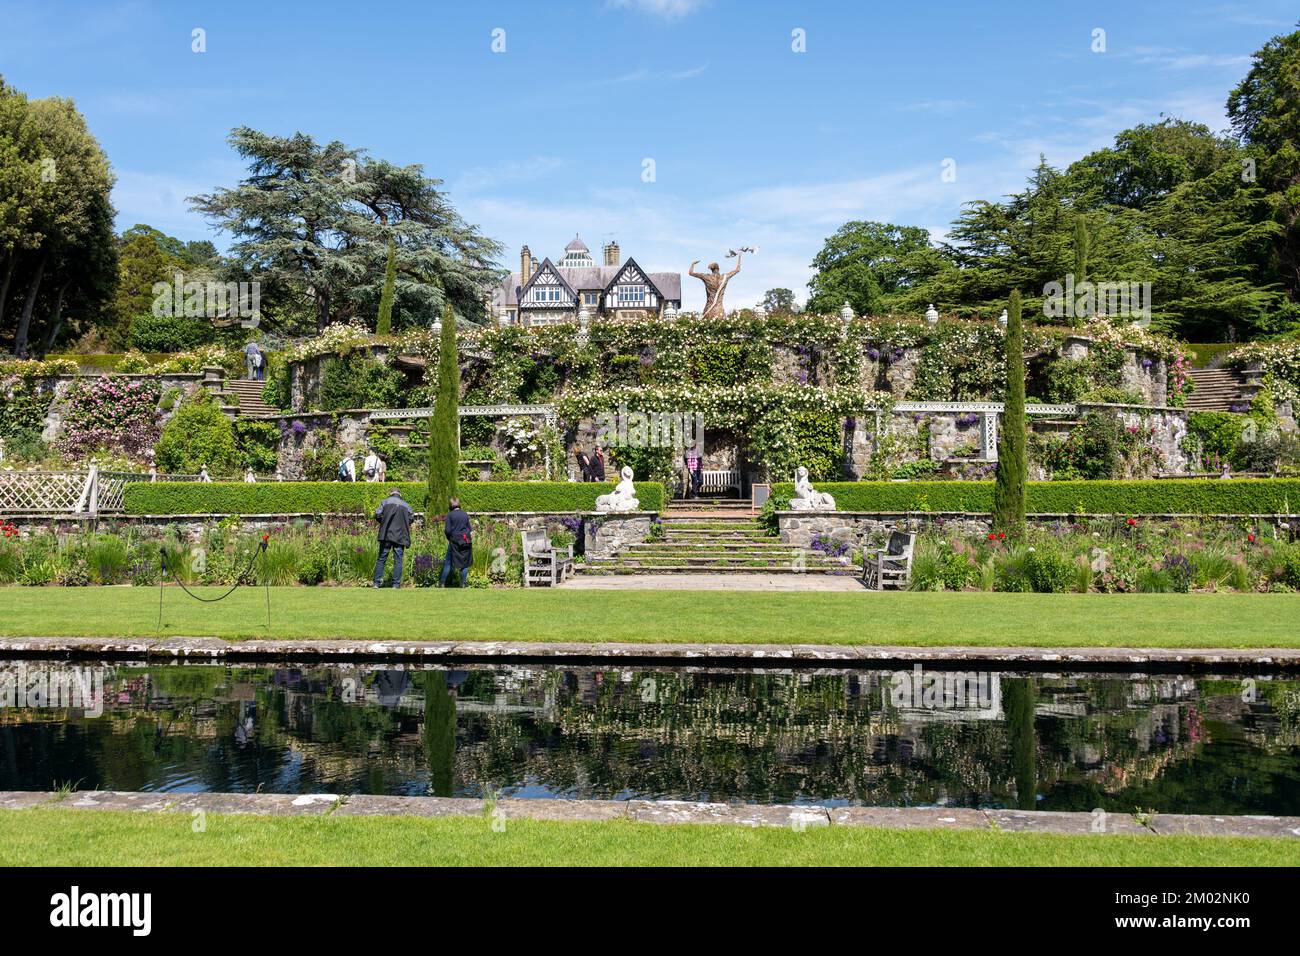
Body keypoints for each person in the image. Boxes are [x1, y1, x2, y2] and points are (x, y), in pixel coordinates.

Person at [373, 488, 414, 588]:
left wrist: (383, 522)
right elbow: (411, 519)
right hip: (400, 536)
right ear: (400, 494)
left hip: (386, 534)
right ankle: (396, 584)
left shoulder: (385, 502)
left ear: (391, 494)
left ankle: (376, 583)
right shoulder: (406, 505)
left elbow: (377, 514)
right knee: (398, 560)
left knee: (381, 559)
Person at [440, 497, 473, 587]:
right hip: (466, 540)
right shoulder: (465, 514)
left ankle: (442, 583)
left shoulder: (450, 515)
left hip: (454, 541)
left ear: (450, 505)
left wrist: (450, 538)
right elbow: (469, 529)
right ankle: (462, 584)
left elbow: (447, 531)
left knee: (448, 562)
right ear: (459, 504)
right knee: (465, 563)